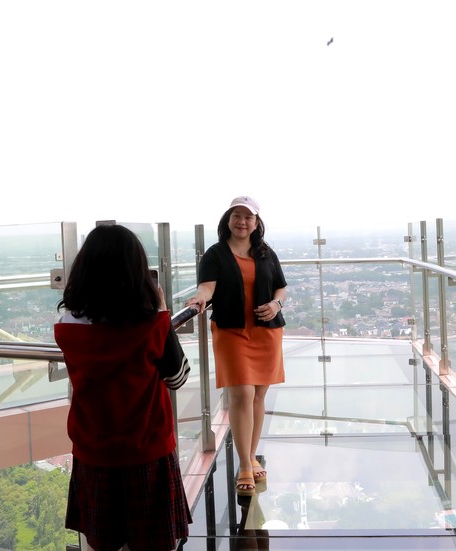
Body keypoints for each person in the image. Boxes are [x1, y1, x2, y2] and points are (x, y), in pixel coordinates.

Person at [54, 224, 191, 551]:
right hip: (147, 451)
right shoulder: (151, 326)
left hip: (93, 452)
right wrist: (161, 311)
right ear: (137, 272)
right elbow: (177, 377)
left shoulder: (67, 326)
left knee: (104, 544)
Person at [186, 196, 287, 496]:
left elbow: (281, 285)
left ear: (257, 223)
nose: (242, 222)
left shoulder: (265, 252)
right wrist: (199, 298)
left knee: (257, 395)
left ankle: (251, 456)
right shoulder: (215, 254)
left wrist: (276, 304)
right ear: (228, 220)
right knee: (241, 393)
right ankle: (245, 464)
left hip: (266, 332)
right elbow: (207, 286)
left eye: (248, 217)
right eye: (237, 216)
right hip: (232, 331)